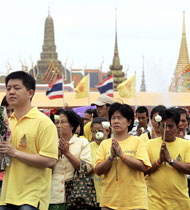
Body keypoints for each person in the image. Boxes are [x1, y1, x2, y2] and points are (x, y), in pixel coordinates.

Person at [0, 71, 58, 210]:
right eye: (8, 89)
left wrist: (15, 153)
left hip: (32, 197)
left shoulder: (43, 122)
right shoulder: (6, 123)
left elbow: (50, 161)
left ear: (30, 93)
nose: (11, 92)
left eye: (17, 88)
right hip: (7, 195)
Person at [95, 102, 151, 210]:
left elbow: (143, 166)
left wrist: (122, 156)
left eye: (120, 118)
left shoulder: (137, 142)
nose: (116, 121)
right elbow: (98, 170)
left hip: (135, 202)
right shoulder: (104, 144)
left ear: (129, 122)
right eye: (113, 118)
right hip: (109, 202)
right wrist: (111, 157)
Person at [145, 108, 190, 210]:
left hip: (180, 204)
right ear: (158, 126)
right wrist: (159, 161)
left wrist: (170, 160)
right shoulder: (149, 145)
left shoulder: (187, 145)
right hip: (154, 203)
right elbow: (143, 170)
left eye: (171, 126)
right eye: (163, 126)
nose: (167, 130)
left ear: (178, 126)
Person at [49, 109, 93, 210]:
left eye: (63, 122)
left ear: (72, 125)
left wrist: (67, 153)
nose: (59, 125)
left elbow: (88, 169)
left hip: (76, 197)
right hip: (52, 196)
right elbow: (42, 169)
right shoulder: (49, 142)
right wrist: (56, 154)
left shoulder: (82, 142)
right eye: (56, 122)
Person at [89, 117, 111, 209]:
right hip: (93, 196)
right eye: (94, 131)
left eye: (100, 131)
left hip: (111, 196)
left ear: (108, 131)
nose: (97, 134)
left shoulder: (113, 145)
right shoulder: (88, 147)